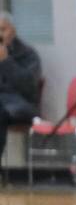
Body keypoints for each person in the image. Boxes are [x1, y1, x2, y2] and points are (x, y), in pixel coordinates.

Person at [0, 11, 42, 166]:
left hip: (22, 105)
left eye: (3, 30)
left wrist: (5, 62)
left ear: (13, 30)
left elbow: (29, 87)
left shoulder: (28, 54)